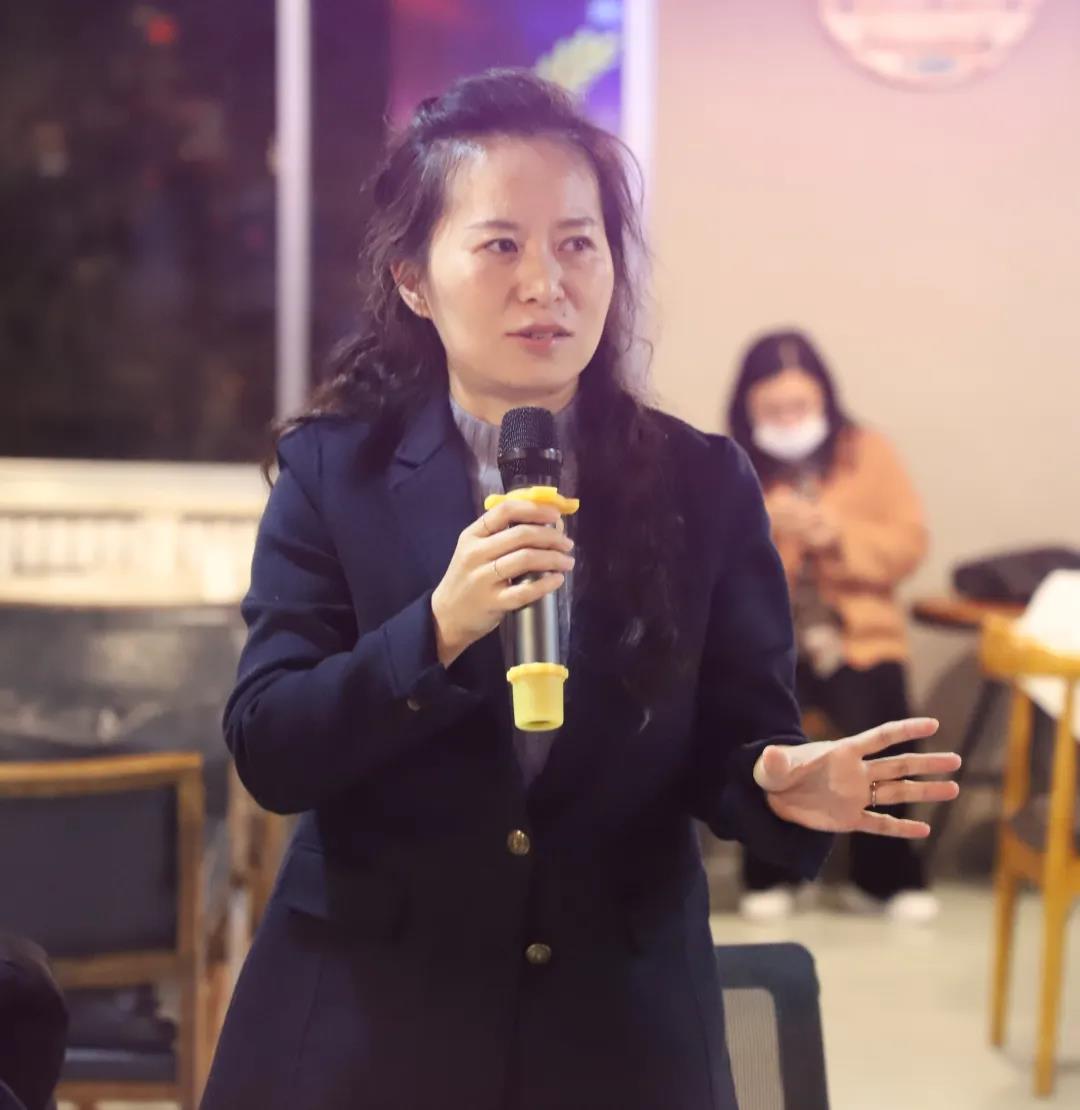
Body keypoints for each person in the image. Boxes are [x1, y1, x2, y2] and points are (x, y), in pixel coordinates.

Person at [202, 71, 960, 1110]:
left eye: (577, 243)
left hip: (617, 1029)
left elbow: (735, 742)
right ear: (414, 279)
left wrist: (777, 778)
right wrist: (437, 628)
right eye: (499, 245)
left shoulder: (704, 481)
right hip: (370, 1023)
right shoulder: (336, 474)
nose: (545, 284)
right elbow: (271, 747)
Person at [727, 330, 939, 924]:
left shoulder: (867, 451)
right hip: (769, 642)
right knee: (758, 732)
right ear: (749, 408)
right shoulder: (731, 463)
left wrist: (836, 535)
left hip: (859, 638)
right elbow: (711, 563)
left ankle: (884, 878)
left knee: (887, 724)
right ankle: (772, 871)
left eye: (800, 405)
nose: (789, 419)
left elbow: (908, 544)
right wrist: (773, 530)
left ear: (824, 398)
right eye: (774, 409)